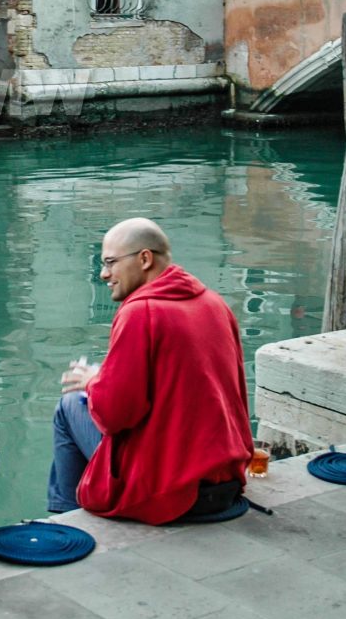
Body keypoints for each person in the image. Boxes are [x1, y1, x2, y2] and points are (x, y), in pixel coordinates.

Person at [48, 218, 253, 524]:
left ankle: (66, 524)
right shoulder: (214, 303)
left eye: (110, 263)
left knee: (68, 407)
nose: (104, 274)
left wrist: (94, 384)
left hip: (170, 490)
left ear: (144, 259)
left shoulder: (139, 312)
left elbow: (115, 416)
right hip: (224, 482)